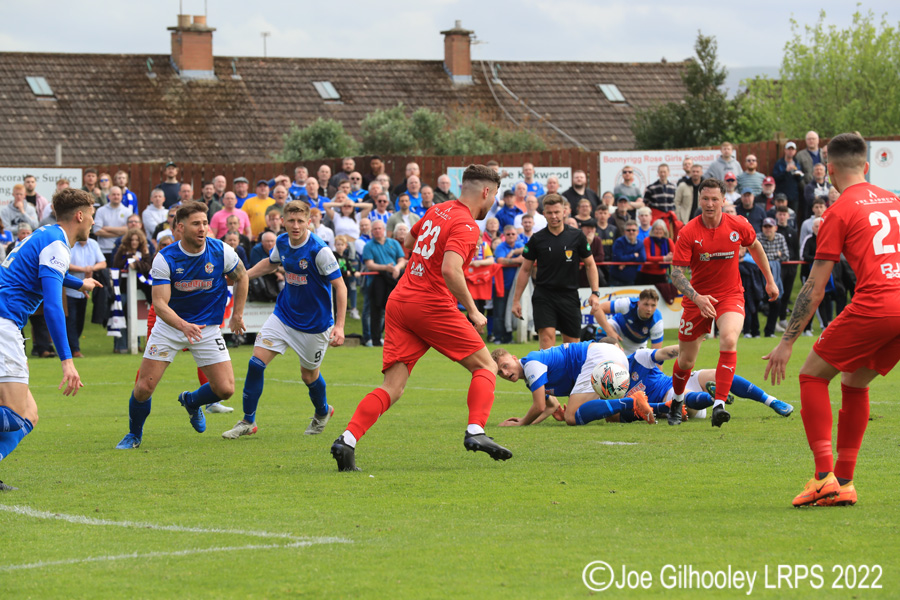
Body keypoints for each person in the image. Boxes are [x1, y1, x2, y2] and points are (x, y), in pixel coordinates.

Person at [330, 165, 513, 471]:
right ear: (486, 192)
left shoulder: (437, 209)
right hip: (430, 303)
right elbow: (450, 270)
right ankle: (476, 431)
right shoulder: (467, 225)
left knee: (393, 387)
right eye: (493, 195)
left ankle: (347, 440)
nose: (492, 201)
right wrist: (473, 309)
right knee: (486, 364)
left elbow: (413, 242)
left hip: (401, 301)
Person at [763, 132, 899, 507]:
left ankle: (824, 477)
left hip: (876, 305)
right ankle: (846, 481)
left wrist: (787, 342)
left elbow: (815, 286)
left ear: (832, 170)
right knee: (855, 382)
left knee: (811, 376)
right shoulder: (895, 201)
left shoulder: (839, 210)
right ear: (867, 166)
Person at [114, 202, 248, 450]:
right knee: (144, 388)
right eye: (196, 223)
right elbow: (160, 303)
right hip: (170, 327)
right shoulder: (166, 258)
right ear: (180, 227)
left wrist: (237, 314)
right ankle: (134, 435)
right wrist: (183, 325)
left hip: (206, 328)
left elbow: (242, 276)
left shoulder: (222, 251)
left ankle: (192, 401)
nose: (202, 228)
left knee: (225, 389)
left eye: (205, 223)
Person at [0, 188, 101, 491]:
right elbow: (54, 305)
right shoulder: (58, 244)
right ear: (80, 216)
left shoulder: (46, 234)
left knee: (29, 414)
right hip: (3, 324)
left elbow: (42, 273)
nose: (93, 223)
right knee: (16, 414)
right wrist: (67, 361)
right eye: (92, 216)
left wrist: (78, 282)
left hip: (5, 323)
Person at [223, 201, 346, 439]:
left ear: (309, 222)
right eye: (291, 220)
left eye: (301, 221)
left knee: (308, 376)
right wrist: (243, 277)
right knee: (255, 363)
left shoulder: (319, 250)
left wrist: (339, 326)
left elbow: (340, 287)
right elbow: (271, 263)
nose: (296, 225)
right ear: (283, 221)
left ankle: (322, 411)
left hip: (315, 324)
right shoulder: (281, 241)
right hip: (284, 315)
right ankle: (248, 421)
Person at [667, 178, 779, 427]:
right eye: (705, 199)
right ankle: (676, 401)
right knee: (686, 361)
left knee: (729, 339)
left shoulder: (738, 224)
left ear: (723, 200)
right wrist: (696, 297)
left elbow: (756, 247)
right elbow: (676, 274)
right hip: (697, 299)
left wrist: (769, 280)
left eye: (714, 199)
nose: (709, 204)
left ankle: (719, 404)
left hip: (730, 295)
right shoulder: (688, 232)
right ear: (699, 200)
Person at [511, 194, 602, 349]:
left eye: (557, 212)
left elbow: (590, 265)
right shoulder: (537, 239)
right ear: (544, 213)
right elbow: (525, 269)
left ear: (564, 212)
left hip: (569, 295)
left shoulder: (577, 236)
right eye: (550, 212)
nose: (554, 216)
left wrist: (595, 293)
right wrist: (516, 300)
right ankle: (546, 373)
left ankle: (570, 374)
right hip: (544, 296)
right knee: (547, 341)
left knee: (572, 346)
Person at [491, 341, 652, 426]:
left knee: (572, 417)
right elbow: (550, 406)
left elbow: (539, 405)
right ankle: (661, 409)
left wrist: (521, 424)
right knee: (613, 417)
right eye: (499, 372)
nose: (505, 373)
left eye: (505, 366)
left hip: (598, 358)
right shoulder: (530, 376)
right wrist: (527, 421)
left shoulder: (532, 364)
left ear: (513, 358)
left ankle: (633, 401)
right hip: (612, 355)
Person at [622, 346, 792, 422]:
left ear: (620, 351)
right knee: (682, 396)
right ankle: (715, 398)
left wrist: (687, 346)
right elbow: (617, 415)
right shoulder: (609, 387)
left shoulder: (637, 358)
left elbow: (664, 352)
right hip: (668, 401)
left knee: (716, 374)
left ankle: (772, 401)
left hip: (674, 381)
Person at [592, 288, 664, 353]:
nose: (649, 309)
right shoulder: (627, 304)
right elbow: (598, 309)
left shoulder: (657, 322)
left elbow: (656, 355)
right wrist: (610, 331)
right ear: (638, 303)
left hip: (636, 343)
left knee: (635, 365)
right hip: (618, 327)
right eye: (646, 304)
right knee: (601, 331)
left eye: (653, 305)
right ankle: (600, 361)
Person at [609, 220, 644, 285]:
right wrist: (634, 255)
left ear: (637, 232)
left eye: (633, 230)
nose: (631, 232)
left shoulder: (640, 243)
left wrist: (626, 263)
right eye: (628, 230)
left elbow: (643, 258)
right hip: (616, 280)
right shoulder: (619, 242)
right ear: (625, 232)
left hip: (631, 280)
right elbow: (619, 258)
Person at [637, 219, 672, 285]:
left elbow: (675, 255)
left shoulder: (668, 241)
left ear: (664, 231)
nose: (658, 231)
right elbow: (647, 258)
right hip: (646, 274)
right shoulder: (647, 240)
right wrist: (664, 258)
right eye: (656, 229)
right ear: (652, 230)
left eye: (661, 229)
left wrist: (669, 257)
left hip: (662, 274)